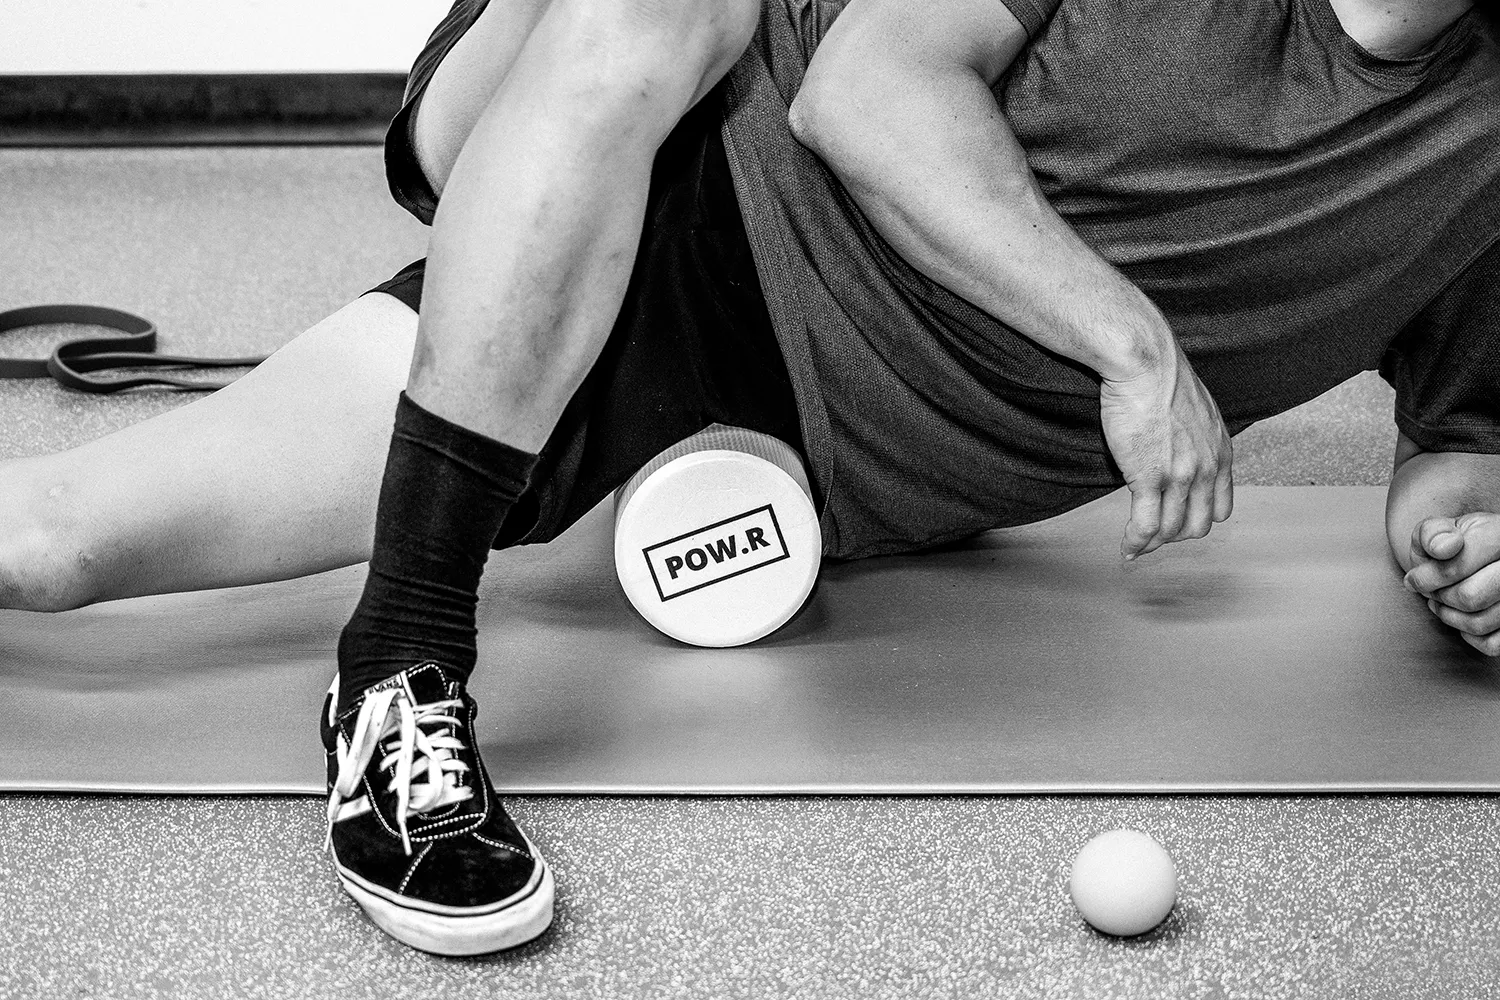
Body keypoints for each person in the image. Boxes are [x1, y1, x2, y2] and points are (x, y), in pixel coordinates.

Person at [1, 0, 1496, 957]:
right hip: (677, 132)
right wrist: (1136, 346)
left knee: (49, 546)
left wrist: (1475, 552)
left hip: (770, 432)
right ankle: (401, 668)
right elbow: (865, 93)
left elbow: (1462, 455)